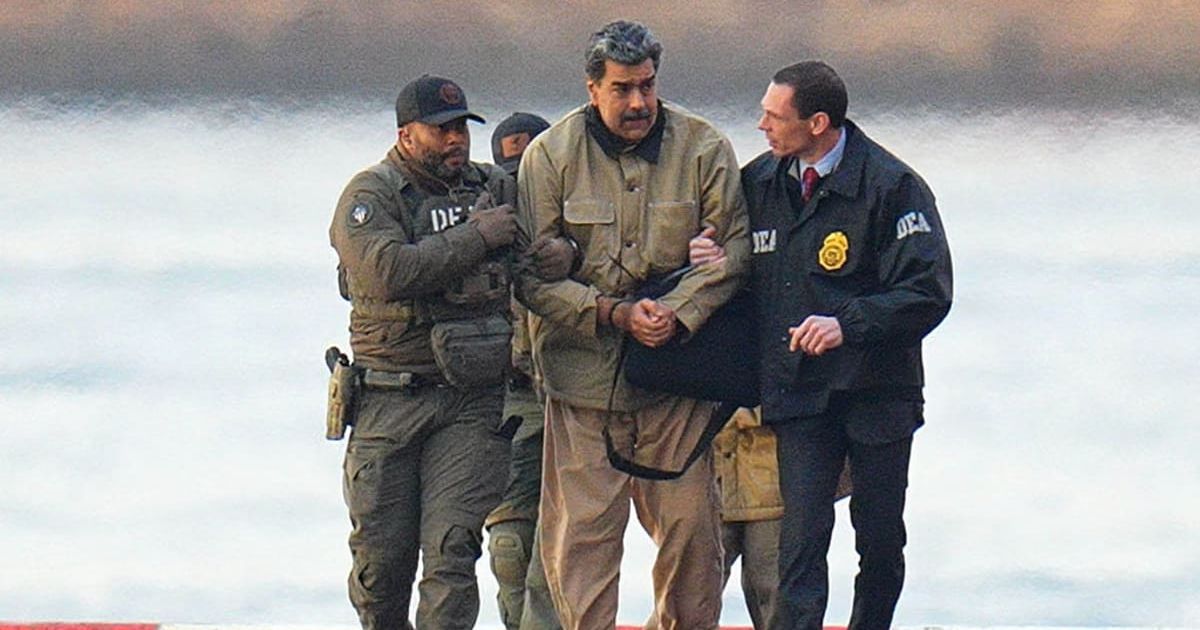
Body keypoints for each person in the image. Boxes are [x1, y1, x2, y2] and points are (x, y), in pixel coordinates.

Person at [515, 20, 750, 630]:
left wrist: (677, 310)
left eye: (647, 85)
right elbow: (531, 278)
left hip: (676, 385)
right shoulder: (549, 157)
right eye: (622, 89)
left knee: (694, 539)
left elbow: (735, 253)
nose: (639, 102)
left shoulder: (704, 148)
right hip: (582, 389)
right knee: (583, 550)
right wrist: (613, 313)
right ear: (593, 88)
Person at [742, 61, 953, 629]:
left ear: (816, 123)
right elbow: (737, 271)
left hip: (878, 392)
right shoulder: (759, 183)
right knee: (801, 544)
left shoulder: (891, 186)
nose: (761, 125)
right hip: (801, 395)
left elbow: (928, 292)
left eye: (773, 115)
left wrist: (848, 323)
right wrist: (713, 255)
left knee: (879, 540)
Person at [328, 74, 522, 630]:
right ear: (405, 134)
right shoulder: (371, 196)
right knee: (382, 568)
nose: (455, 140)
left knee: (452, 551)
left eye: (461, 127)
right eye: (440, 131)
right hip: (388, 401)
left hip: (471, 402)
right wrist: (475, 238)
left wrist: (559, 255)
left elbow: (532, 257)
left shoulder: (491, 189)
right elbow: (387, 271)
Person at [483, 112, 563, 630]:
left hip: (578, 394)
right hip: (510, 401)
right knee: (511, 547)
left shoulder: (580, 219)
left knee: (565, 556)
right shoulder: (480, 227)